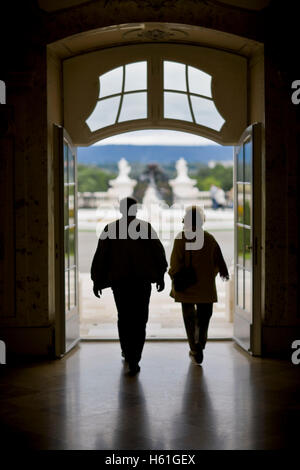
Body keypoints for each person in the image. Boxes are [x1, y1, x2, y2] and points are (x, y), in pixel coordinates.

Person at [91, 197, 168, 375]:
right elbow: (158, 253)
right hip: (142, 281)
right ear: (136, 210)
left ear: (121, 210)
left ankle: (127, 351)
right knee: (140, 320)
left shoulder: (110, 229)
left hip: (120, 282)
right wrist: (160, 276)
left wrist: (97, 281)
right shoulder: (145, 228)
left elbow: (101, 257)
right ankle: (135, 357)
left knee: (124, 318)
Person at [168, 206, 229, 365]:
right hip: (206, 288)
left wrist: (172, 275)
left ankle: (195, 348)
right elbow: (218, 265)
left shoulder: (181, 238)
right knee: (204, 320)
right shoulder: (209, 238)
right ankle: (201, 343)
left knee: (189, 320)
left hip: (186, 287)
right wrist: (208, 276)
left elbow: (175, 264)